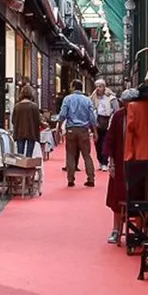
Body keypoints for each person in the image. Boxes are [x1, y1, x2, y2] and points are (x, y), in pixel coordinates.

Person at [102, 88, 138, 244]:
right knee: (117, 197)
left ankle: (138, 230)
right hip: (120, 160)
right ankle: (116, 230)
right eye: (126, 103)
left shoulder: (140, 116)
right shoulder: (118, 116)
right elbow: (111, 137)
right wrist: (110, 160)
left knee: (138, 196)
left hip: (137, 161)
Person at [59, 79, 97, 187]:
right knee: (87, 155)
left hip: (71, 129)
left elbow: (63, 114)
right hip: (84, 130)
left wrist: (58, 127)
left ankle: (70, 179)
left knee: (70, 154)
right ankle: (91, 178)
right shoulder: (87, 100)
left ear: (74, 87)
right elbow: (92, 118)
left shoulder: (68, 99)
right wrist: (95, 132)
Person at [92, 79, 119, 172]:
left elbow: (116, 110)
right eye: (96, 86)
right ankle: (100, 161)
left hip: (107, 121)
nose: (98, 88)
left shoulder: (111, 97)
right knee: (97, 143)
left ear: (104, 87)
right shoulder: (93, 97)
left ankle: (104, 162)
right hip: (97, 121)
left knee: (105, 142)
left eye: (100, 86)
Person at [10, 85, 42, 157]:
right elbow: (38, 121)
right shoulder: (34, 106)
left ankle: (20, 167)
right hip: (31, 132)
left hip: (19, 132)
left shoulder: (17, 106)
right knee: (29, 154)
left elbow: (13, 120)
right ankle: (28, 166)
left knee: (20, 154)